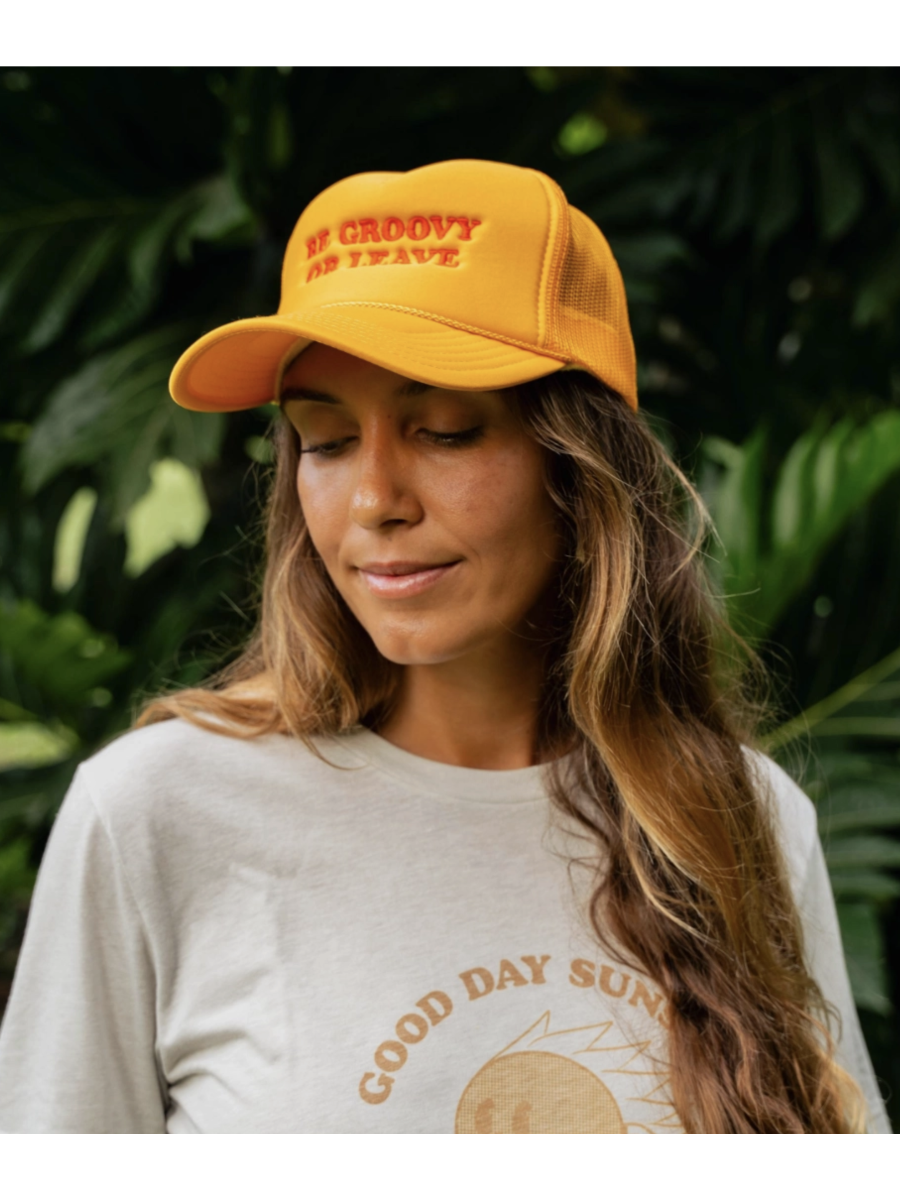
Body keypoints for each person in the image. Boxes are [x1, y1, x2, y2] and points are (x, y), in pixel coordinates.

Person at [0, 160, 891, 1134]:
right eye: (327, 442)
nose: (376, 500)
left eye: (446, 430)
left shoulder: (741, 821)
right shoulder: (158, 816)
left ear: (583, 471)